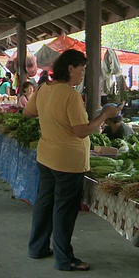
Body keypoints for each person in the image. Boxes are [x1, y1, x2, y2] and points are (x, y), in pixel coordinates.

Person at [24, 49, 122, 271]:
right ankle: (65, 259)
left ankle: (37, 248)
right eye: (81, 69)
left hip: (46, 157)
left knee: (44, 203)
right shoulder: (70, 95)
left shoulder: (42, 89)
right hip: (67, 162)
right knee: (64, 210)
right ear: (70, 68)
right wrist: (105, 116)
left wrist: (50, 116)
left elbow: (27, 113)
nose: (82, 74)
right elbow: (81, 131)